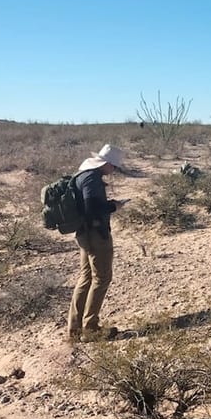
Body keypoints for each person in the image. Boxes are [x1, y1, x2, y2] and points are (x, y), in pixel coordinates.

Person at [67, 144, 127, 343]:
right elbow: (92, 207)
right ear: (107, 164)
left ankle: (74, 330)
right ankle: (90, 329)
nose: (114, 171)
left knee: (86, 278)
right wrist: (113, 206)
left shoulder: (82, 175)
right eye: (114, 167)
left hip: (84, 234)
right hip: (95, 234)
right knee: (101, 278)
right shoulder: (92, 179)